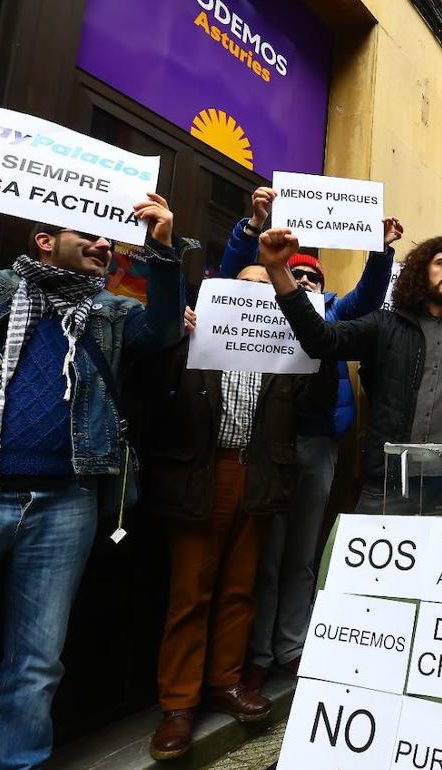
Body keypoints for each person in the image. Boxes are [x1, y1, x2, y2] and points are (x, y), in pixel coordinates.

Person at [0, 123, 185, 769]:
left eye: (108, 238)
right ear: (44, 239)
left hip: (65, 505)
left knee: (35, 670)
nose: (102, 245)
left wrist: (163, 251)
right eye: (87, 235)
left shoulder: (111, 313)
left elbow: (166, 330)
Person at [217, 187, 400, 690]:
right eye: (294, 274)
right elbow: (227, 277)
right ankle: (257, 652)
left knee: (300, 553)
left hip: (316, 444)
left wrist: (381, 251)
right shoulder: (250, 313)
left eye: (311, 277)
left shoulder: (333, 313)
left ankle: (292, 646)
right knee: (265, 556)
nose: (301, 280)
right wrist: (251, 228)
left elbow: (365, 298)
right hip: (260, 448)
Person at [143, 264, 305, 760]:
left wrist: (304, 346)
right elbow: (152, 388)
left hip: (255, 474)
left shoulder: (283, 348)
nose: (255, 292)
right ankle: (178, 706)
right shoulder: (196, 337)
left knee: (240, 588)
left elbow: (309, 403)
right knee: (191, 590)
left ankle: (225, 683)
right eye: (246, 284)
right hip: (202, 471)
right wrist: (182, 336)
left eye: (264, 286)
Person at [260, 230, 442, 512]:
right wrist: (277, 269)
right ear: (421, 269)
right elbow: (321, 340)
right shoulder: (385, 325)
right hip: (389, 484)